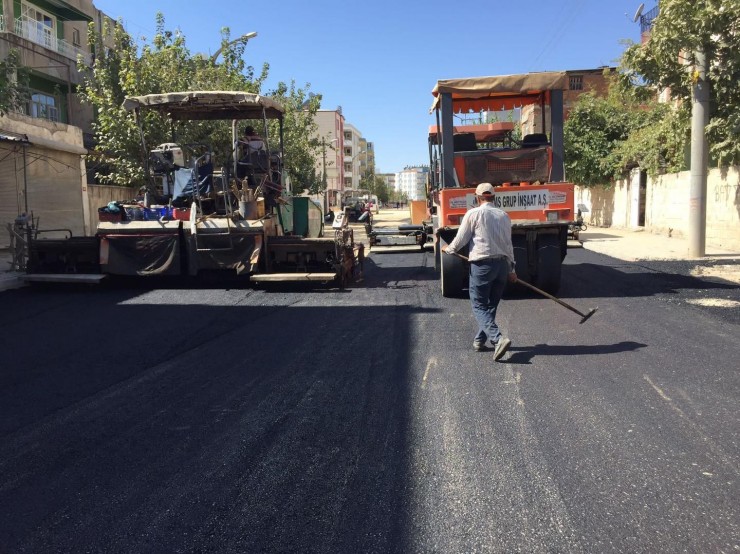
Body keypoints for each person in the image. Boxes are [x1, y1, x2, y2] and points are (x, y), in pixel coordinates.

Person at [442, 182, 517, 361]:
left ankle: (498, 339)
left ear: (477, 198)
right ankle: (479, 340)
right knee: (491, 305)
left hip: (482, 266)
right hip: (501, 266)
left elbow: (461, 239)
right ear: (494, 197)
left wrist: (448, 249)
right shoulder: (504, 216)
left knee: (478, 305)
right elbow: (509, 245)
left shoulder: (473, 213)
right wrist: (512, 268)